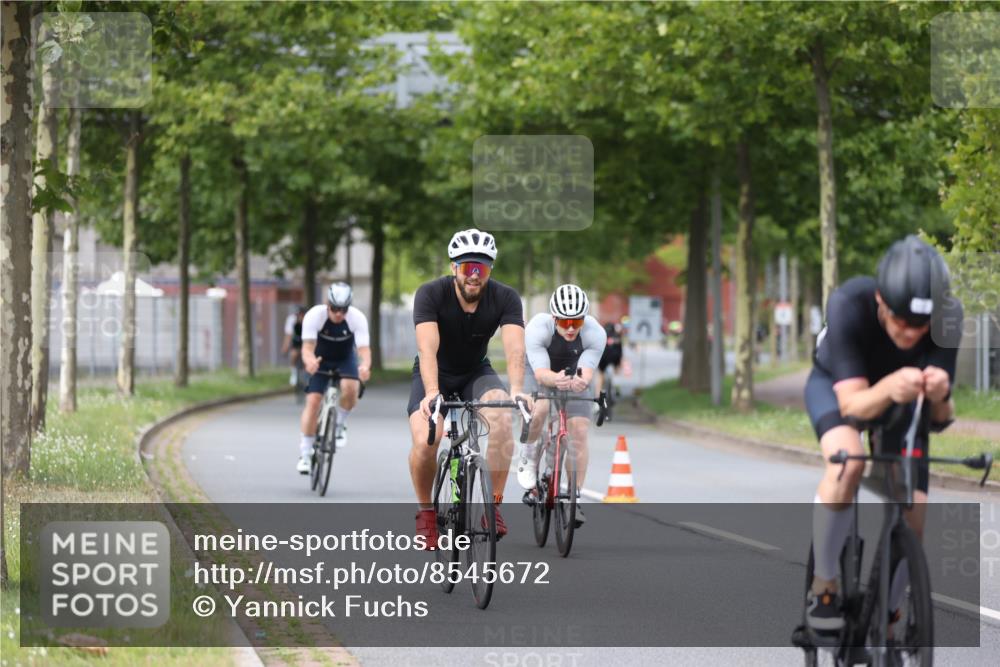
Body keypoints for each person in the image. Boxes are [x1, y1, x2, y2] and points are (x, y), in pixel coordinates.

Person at [803, 235, 962, 634]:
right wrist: (891, 387)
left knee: (914, 508)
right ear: (880, 302)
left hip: (905, 397)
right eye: (901, 322)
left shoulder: (948, 320)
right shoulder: (848, 304)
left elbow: (941, 419)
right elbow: (853, 406)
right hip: (839, 387)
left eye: (921, 325)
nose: (911, 334)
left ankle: (889, 614)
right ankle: (824, 584)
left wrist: (942, 393)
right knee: (847, 463)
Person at [408, 229, 532, 546]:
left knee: (503, 416)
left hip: (476, 372)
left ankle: (492, 507)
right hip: (435, 373)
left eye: (482, 269)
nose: (474, 276)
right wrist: (432, 391)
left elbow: (515, 348)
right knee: (426, 440)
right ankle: (426, 511)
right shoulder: (430, 294)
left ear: (490, 271)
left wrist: (517, 388)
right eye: (468, 268)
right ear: (454, 268)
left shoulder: (505, 298)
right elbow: (427, 349)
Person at [516, 284, 606, 527]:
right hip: (540, 371)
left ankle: (574, 497)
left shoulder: (595, 333)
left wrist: (580, 382)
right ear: (554, 318)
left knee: (578, 431)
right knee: (541, 409)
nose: (569, 328)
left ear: (584, 320)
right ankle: (528, 454)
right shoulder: (538, 328)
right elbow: (542, 373)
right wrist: (555, 380)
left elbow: (586, 372)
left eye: (576, 323)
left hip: (573, 371)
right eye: (564, 322)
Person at [295, 282, 372, 474]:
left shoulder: (357, 318)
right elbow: (307, 348)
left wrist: (365, 366)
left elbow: (363, 350)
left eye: (343, 309)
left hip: (345, 358)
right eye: (335, 308)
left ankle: (340, 424)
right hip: (320, 359)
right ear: (327, 304)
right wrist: (310, 361)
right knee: (313, 402)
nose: (339, 314)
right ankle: (305, 453)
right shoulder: (314, 315)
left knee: (351, 387)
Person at [594, 320, 623, 397]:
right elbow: (620, 351)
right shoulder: (617, 336)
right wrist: (619, 362)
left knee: (600, 375)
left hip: (603, 358)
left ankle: (598, 396)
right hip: (615, 358)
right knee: (617, 372)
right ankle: (617, 390)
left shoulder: (600, 336)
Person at [281, 306, 307, 385]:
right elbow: (288, 335)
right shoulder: (292, 320)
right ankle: (294, 373)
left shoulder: (308, 320)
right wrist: (285, 347)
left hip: (306, 340)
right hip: (296, 340)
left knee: (306, 356)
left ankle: (306, 374)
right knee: (294, 354)